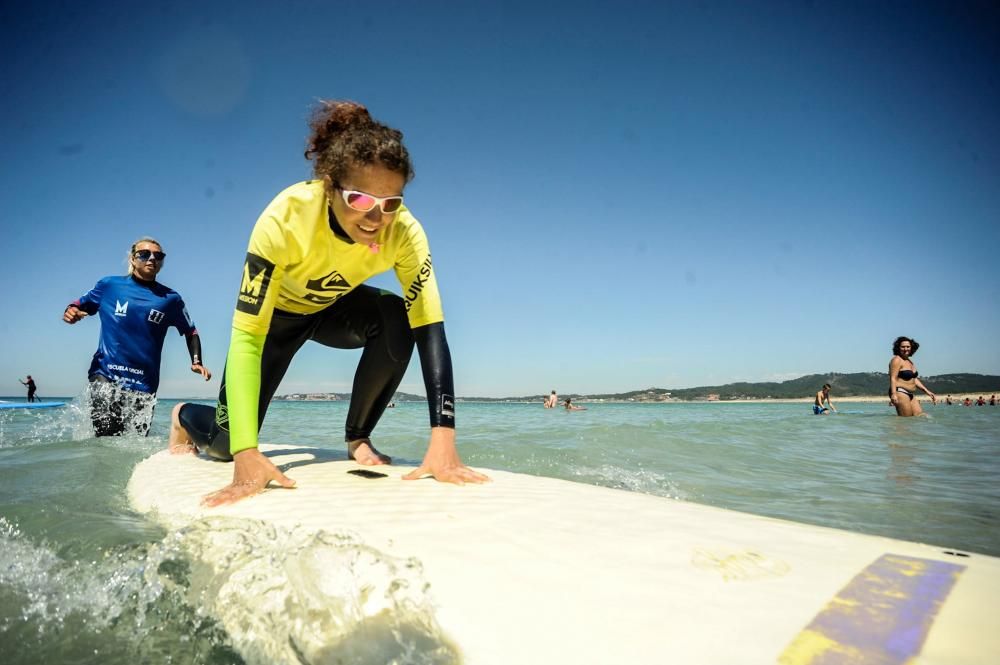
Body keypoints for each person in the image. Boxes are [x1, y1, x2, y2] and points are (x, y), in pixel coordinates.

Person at [168, 100, 488, 506]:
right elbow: (247, 338)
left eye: (391, 203)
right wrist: (247, 455)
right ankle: (182, 415)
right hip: (275, 322)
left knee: (395, 315)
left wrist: (443, 439)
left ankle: (358, 437)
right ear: (328, 184)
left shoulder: (404, 232)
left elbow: (430, 329)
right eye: (359, 200)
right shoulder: (285, 219)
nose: (376, 217)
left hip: (333, 309)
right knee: (224, 445)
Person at [64, 237, 212, 436]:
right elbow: (79, 304)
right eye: (144, 254)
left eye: (158, 256)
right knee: (106, 439)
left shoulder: (171, 299)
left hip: (144, 383)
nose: (152, 259)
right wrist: (72, 311)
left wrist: (197, 361)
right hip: (106, 373)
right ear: (133, 259)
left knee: (134, 444)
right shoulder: (109, 285)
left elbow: (190, 331)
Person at [888, 336, 936, 417]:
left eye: (908, 346)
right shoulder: (897, 360)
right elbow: (893, 378)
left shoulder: (909, 361)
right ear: (898, 348)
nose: (905, 349)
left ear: (911, 348)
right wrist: (893, 394)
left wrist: (927, 391)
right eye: (903, 347)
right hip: (899, 392)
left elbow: (914, 379)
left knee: (920, 416)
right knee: (906, 420)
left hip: (910, 394)